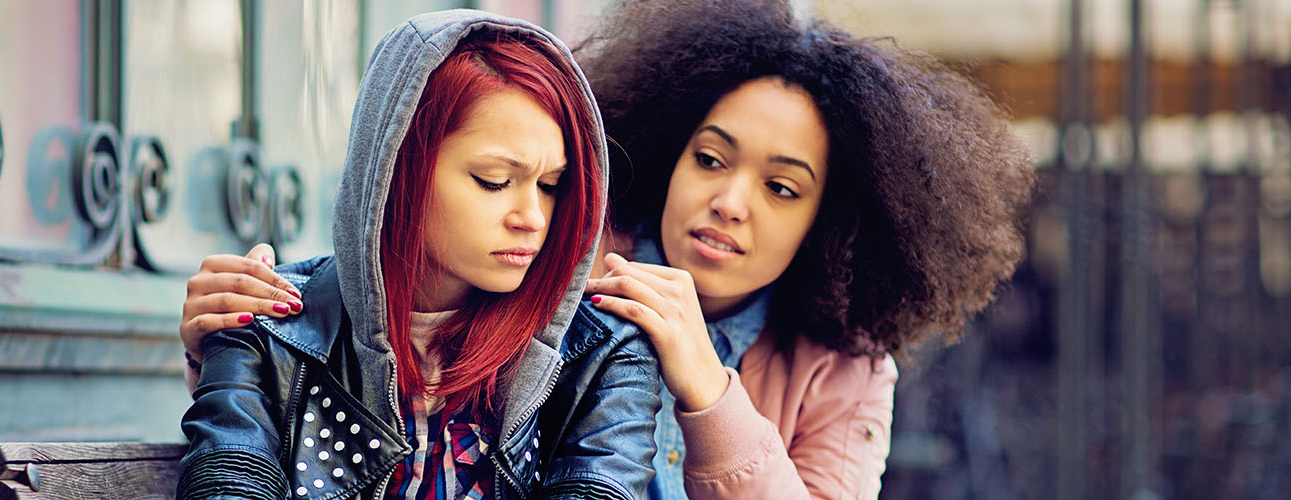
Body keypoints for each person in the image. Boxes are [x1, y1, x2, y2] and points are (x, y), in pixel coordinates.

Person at [181, 1, 1033, 498]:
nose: (730, 203)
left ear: (832, 221)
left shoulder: (846, 369)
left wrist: (708, 389)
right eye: (709, 158)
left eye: (782, 187)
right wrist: (228, 340)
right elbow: (373, 320)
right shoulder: (550, 272)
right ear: (666, 152)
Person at [177, 11, 659, 500]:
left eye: (551, 186)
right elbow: (228, 481)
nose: (532, 216)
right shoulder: (270, 325)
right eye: (494, 180)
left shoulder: (601, 351)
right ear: (396, 167)